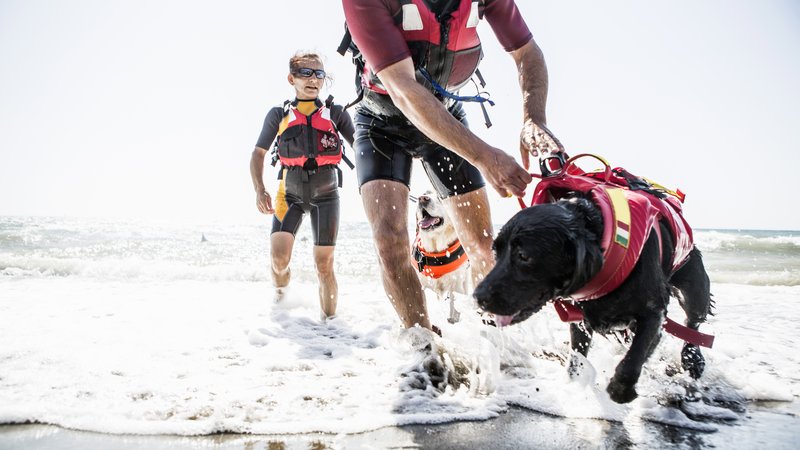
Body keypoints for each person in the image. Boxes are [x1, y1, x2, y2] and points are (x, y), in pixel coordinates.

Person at [341, 0, 563, 330]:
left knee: (483, 245)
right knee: (389, 241)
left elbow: (527, 53)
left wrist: (534, 119)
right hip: (381, 125)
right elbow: (404, 90)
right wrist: (485, 157)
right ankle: (421, 342)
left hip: (444, 117)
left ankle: (494, 337)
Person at [249, 52, 355, 320]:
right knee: (279, 260)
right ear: (291, 79)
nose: (313, 80)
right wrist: (260, 189)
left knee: (324, 265)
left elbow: (362, 149)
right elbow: (258, 154)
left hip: (326, 194)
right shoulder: (279, 114)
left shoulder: (335, 113)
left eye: (319, 74)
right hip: (289, 195)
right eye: (306, 73)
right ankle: (281, 299)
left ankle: (330, 327)